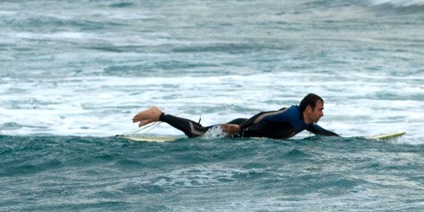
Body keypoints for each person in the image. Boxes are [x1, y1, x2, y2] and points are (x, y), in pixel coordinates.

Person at [132, 93, 339, 139]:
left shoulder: (305, 123)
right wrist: (240, 127)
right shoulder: (292, 113)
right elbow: (263, 115)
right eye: (320, 109)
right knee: (199, 133)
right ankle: (159, 114)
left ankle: (158, 116)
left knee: (200, 133)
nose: (322, 113)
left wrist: (345, 142)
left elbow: (322, 132)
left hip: (244, 135)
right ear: (308, 108)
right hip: (240, 129)